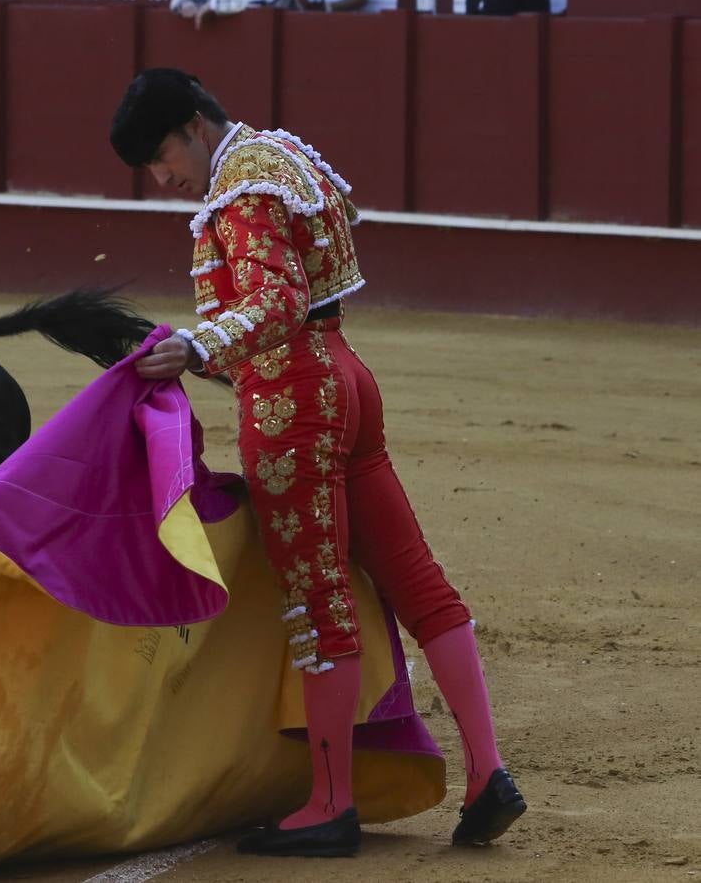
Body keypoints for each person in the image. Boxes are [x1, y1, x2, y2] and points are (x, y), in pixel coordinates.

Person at [109, 68, 526, 857]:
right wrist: (201, 357)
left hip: (292, 398)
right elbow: (303, 295)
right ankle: (488, 775)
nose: (164, 178)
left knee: (316, 598)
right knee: (418, 582)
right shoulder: (278, 158)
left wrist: (199, 342)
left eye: (163, 156)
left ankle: (329, 805)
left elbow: (277, 301)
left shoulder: (241, 186)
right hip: (344, 375)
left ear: (196, 125)